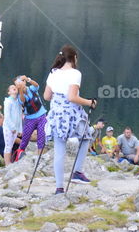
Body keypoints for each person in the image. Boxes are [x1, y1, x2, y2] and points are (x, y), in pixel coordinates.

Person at [44, 44, 97, 194]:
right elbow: (72, 97)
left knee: (59, 148)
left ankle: (59, 187)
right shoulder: (75, 73)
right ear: (74, 58)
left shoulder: (53, 73)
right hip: (72, 114)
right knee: (86, 137)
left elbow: (47, 96)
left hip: (56, 113)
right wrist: (89, 102)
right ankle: (77, 172)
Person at [15, 75, 47, 160]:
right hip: (30, 119)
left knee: (41, 136)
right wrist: (21, 90)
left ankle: (40, 157)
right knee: (25, 138)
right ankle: (19, 154)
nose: (20, 84)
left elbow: (37, 85)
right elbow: (22, 101)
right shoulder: (19, 95)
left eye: (21, 81)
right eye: (17, 84)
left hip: (41, 114)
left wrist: (28, 79)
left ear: (24, 82)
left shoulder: (31, 89)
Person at [2, 83, 23, 166]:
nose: (14, 88)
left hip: (16, 128)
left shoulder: (18, 102)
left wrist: (20, 129)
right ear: (9, 92)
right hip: (8, 127)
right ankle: (7, 164)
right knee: (8, 146)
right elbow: (7, 116)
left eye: (15, 87)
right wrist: (12, 127)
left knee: (11, 145)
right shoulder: (8, 101)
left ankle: (9, 163)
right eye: (12, 88)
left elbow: (19, 116)